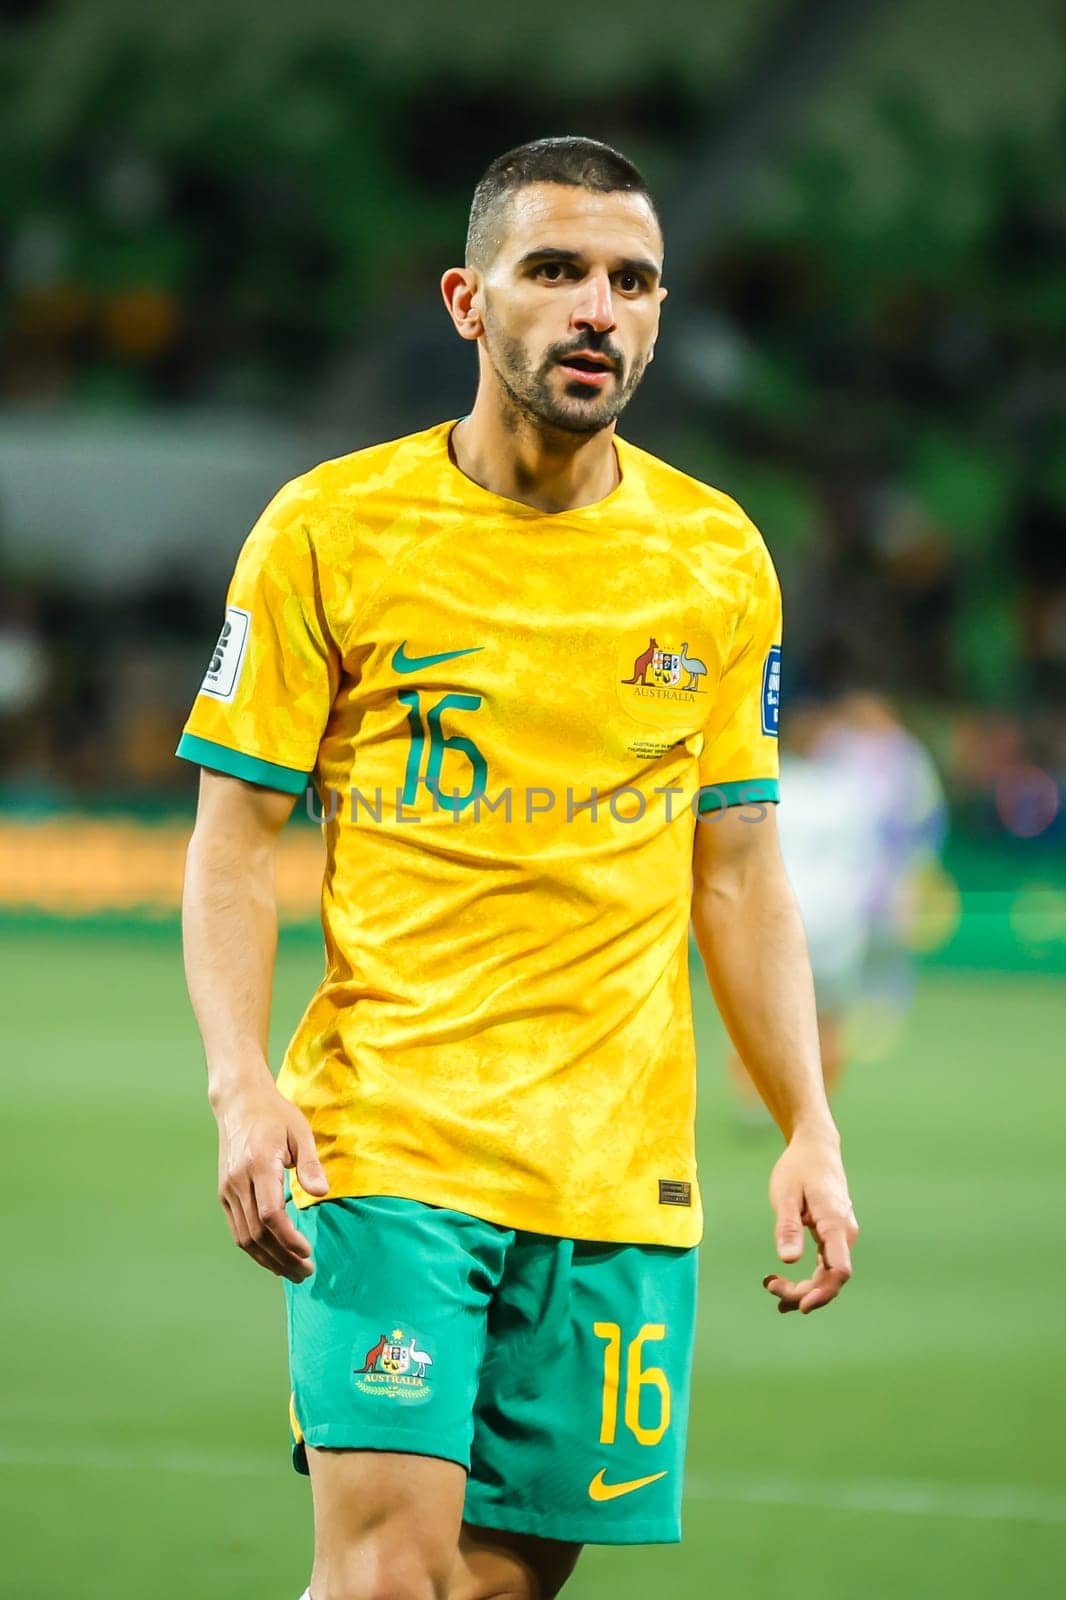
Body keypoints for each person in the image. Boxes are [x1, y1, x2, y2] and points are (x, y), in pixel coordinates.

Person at [179, 136, 858, 1600]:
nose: (595, 307)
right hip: (392, 1146)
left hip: (614, 1181)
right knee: (389, 1579)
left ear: (661, 313)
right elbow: (234, 835)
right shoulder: (331, 529)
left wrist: (804, 1120)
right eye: (553, 270)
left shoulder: (716, 557)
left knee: (497, 1585)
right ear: (466, 301)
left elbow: (735, 870)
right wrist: (242, 1083)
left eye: (629, 279)